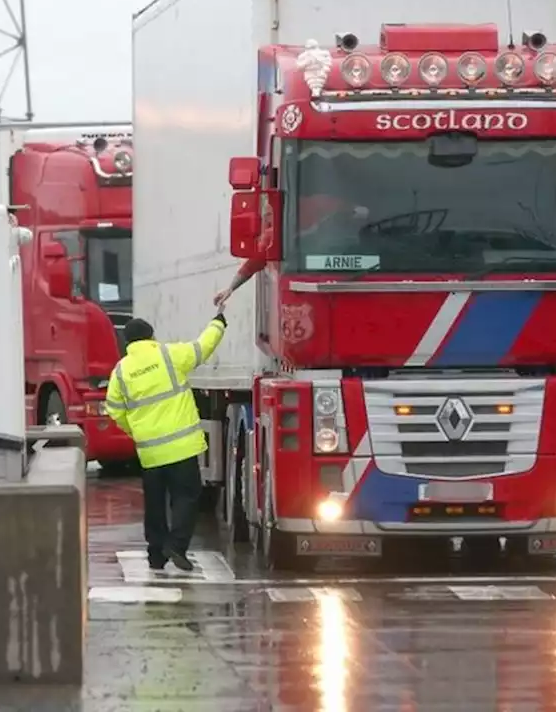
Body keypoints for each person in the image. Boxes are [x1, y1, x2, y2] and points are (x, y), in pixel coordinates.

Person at [104, 313, 227, 572]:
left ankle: (156, 555)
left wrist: (136, 430)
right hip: (181, 447)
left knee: (155, 503)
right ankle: (177, 544)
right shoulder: (169, 355)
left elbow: (114, 409)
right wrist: (217, 323)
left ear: (127, 342)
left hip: (150, 452)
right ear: (151, 336)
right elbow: (202, 347)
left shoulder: (121, 372)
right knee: (187, 496)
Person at [212, 193, 368, 307]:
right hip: (314, 286)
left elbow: (362, 211)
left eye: (269, 213)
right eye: (266, 216)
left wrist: (354, 214)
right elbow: (251, 265)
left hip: (355, 272)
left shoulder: (316, 204)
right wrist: (230, 288)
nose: (268, 219)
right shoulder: (273, 236)